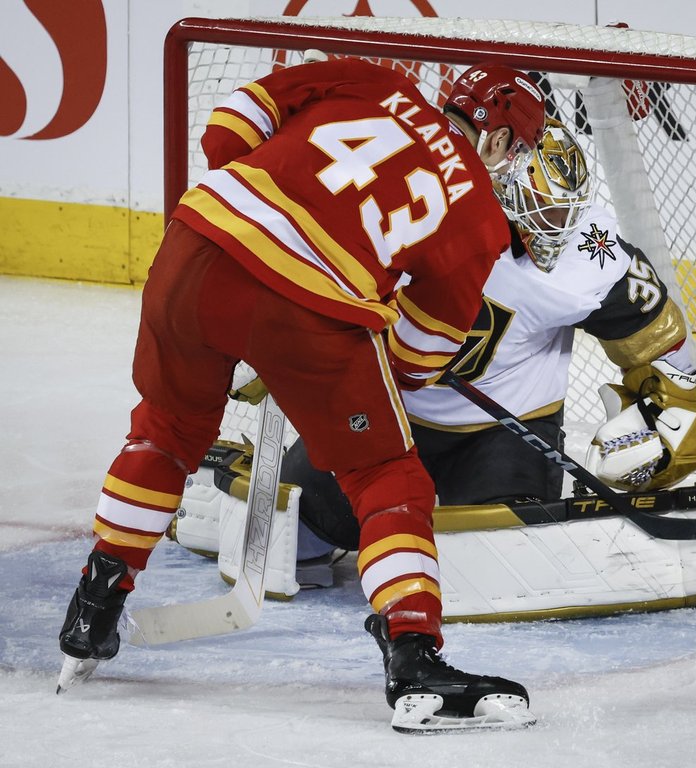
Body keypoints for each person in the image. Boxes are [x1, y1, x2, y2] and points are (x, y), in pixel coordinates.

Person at [57, 56, 546, 732]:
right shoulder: (478, 215)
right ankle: (413, 652)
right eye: (516, 151)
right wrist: (314, 331)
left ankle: (94, 606)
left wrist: (271, 229)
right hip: (305, 315)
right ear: (495, 139)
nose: (508, 165)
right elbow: (415, 360)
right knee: (386, 474)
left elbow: (228, 130)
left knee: (165, 430)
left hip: (194, 248)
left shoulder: (377, 80)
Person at [221, 118, 696, 567]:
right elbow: (323, 285)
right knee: (292, 544)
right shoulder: (410, 212)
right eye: (539, 209)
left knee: (504, 562)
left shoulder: (592, 253)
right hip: (385, 412)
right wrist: (278, 341)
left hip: (505, 430)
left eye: (564, 210)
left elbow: (664, 351)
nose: (557, 228)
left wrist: (669, 426)